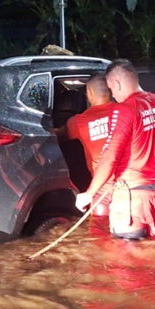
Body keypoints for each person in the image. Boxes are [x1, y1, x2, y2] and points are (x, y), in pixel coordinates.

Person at [75, 59, 155, 240]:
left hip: (131, 199)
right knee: (152, 251)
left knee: (123, 255)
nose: (112, 95)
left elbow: (110, 156)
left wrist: (89, 194)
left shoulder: (124, 109)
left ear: (117, 84)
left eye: (111, 89)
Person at [53, 73, 114, 216]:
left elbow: (56, 136)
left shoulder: (79, 122)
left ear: (89, 93)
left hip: (102, 189)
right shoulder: (127, 112)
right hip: (133, 185)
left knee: (100, 227)